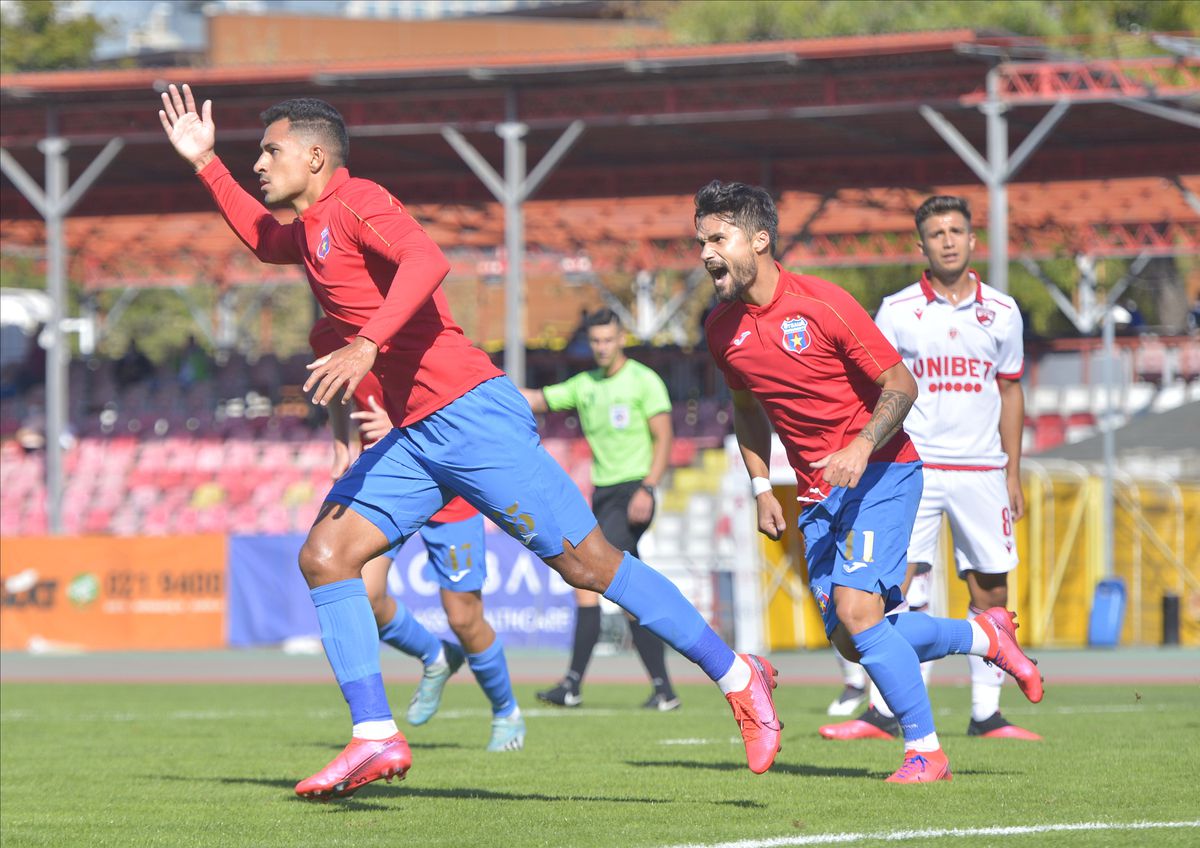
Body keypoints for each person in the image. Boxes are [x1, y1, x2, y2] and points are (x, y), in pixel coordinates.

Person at [158, 84, 781, 800]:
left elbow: (428, 263)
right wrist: (206, 163)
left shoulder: (360, 200)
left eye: (270, 151)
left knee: (590, 566)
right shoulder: (307, 227)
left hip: (469, 413)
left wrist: (365, 344)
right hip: (419, 435)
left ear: (316, 155)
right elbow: (266, 241)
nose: (259, 164)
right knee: (326, 556)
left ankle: (740, 677)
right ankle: (374, 737)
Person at [694, 179, 1043, 783]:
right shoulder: (722, 329)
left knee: (858, 611)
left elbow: (902, 384)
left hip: (884, 471)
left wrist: (859, 445)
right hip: (814, 495)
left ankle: (926, 750)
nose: (705, 253)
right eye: (700, 241)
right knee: (856, 639)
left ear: (760, 239)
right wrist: (758, 486)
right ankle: (985, 636)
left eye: (718, 238)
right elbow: (747, 408)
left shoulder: (823, 304)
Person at [821, 195, 1041, 743]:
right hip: (910, 466)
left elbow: (1010, 392)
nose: (948, 240)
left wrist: (1012, 471)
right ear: (921, 245)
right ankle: (883, 710)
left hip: (980, 469)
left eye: (957, 230)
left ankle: (986, 713)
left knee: (991, 586)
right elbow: (873, 388)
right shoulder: (895, 312)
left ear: (972, 240)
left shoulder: (1004, 312)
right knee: (892, 585)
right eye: (937, 232)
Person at [311, 317, 524, 752]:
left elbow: (453, 394)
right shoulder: (324, 333)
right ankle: (435, 655)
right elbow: (337, 390)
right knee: (365, 595)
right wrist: (341, 442)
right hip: (386, 481)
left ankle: (506, 711)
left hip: (447, 480)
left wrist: (402, 431)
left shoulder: (408, 321)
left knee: (464, 617)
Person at [522, 308, 679, 711]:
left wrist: (648, 488)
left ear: (621, 337)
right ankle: (664, 689)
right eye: (596, 341)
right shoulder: (586, 385)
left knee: (591, 581)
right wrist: (484, 387)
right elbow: (538, 398)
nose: (602, 347)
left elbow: (664, 438)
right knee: (631, 592)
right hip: (604, 495)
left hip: (633, 493)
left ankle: (573, 684)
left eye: (609, 339)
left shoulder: (644, 381)